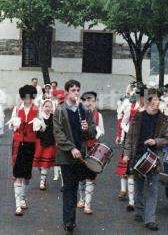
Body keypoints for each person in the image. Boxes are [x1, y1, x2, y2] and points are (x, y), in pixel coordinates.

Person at [122, 89, 168, 231]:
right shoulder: (138, 116)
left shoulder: (164, 119)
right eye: (154, 100)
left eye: (158, 100)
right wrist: (126, 154)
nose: (157, 102)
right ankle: (139, 211)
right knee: (138, 186)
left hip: (154, 157)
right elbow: (130, 137)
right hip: (137, 155)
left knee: (152, 188)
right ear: (149, 102)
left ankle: (150, 219)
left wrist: (155, 141)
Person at [53, 79, 97, 233]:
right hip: (67, 155)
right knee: (68, 188)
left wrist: (87, 129)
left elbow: (93, 133)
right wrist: (71, 148)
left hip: (81, 155)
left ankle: (72, 219)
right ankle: (68, 221)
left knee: (76, 186)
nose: (76, 93)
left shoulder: (84, 110)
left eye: (78, 90)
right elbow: (58, 133)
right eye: (73, 90)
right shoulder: (60, 110)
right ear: (66, 92)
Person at [9, 85, 39, 216]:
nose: (28, 100)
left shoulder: (37, 109)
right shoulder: (17, 109)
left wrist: (39, 125)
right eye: (26, 97)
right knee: (18, 174)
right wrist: (14, 123)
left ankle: (22, 197)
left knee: (26, 175)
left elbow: (42, 127)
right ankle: (17, 205)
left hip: (31, 144)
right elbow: (11, 125)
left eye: (31, 97)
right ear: (22, 97)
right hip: (18, 142)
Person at [116, 86, 146, 211]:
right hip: (131, 141)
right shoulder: (130, 107)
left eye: (142, 95)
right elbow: (123, 122)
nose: (140, 97)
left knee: (142, 171)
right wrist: (129, 130)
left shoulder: (149, 109)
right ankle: (131, 201)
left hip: (144, 142)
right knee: (129, 171)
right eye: (139, 95)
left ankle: (139, 199)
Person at [77, 91, 104, 215]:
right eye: (87, 100)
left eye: (92, 100)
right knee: (80, 176)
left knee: (90, 177)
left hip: (93, 147)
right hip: (81, 147)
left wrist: (97, 131)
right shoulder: (78, 114)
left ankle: (88, 204)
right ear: (83, 102)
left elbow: (102, 131)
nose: (90, 103)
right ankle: (81, 199)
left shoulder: (98, 115)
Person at [33, 98, 56, 190]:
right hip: (40, 142)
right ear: (42, 107)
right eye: (46, 106)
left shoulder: (54, 117)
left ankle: (42, 180)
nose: (48, 108)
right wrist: (39, 127)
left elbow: (56, 130)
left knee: (45, 163)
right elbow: (34, 129)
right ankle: (43, 176)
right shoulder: (38, 117)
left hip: (50, 142)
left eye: (50, 107)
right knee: (39, 163)